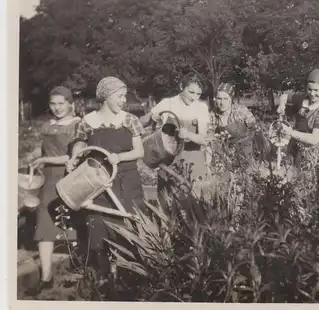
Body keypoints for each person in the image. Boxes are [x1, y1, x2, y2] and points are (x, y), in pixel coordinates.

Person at [67, 76, 146, 283]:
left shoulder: (130, 120)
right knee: (100, 228)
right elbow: (80, 145)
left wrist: (119, 157)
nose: (123, 100)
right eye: (119, 96)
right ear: (106, 97)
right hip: (98, 185)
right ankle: (104, 278)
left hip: (127, 183)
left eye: (124, 96)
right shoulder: (87, 121)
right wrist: (74, 159)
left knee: (129, 227)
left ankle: (128, 278)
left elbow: (139, 151)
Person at [24, 86, 81, 295]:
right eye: (53, 104)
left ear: (69, 104)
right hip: (48, 181)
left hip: (68, 178)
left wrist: (44, 159)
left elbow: (71, 157)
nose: (57, 108)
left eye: (61, 103)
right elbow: (42, 149)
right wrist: (32, 156)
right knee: (44, 225)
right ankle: (46, 277)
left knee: (73, 223)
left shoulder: (76, 125)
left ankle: (78, 269)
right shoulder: (48, 125)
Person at [140, 72, 211, 209]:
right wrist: (151, 118)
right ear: (181, 86)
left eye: (198, 94)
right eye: (191, 92)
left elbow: (203, 139)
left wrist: (189, 135)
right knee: (168, 203)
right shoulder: (168, 103)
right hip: (169, 160)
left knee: (193, 204)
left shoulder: (201, 107)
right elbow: (141, 122)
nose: (194, 97)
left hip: (193, 161)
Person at [276, 69, 319, 179]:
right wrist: (282, 105)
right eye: (309, 89)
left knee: (310, 187)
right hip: (296, 150)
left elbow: (314, 139)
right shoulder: (303, 99)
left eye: (316, 90)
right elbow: (284, 96)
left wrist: (290, 132)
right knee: (294, 182)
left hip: (314, 155)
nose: (312, 94)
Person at [208, 82, 258, 172]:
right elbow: (209, 134)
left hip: (243, 149)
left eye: (225, 99)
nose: (222, 102)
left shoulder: (240, 111)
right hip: (223, 152)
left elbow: (254, 128)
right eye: (219, 99)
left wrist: (244, 138)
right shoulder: (212, 114)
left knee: (248, 176)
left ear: (231, 99)